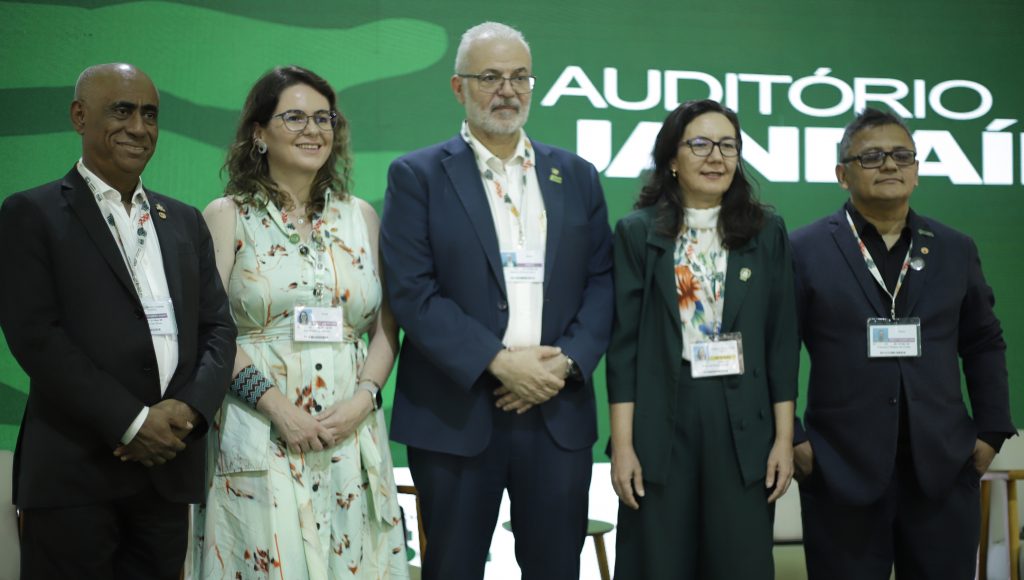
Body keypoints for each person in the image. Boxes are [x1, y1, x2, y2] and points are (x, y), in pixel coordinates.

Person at [380, 21, 613, 580]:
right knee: (453, 568)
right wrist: (500, 362)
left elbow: (602, 281)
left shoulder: (576, 175)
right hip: (455, 414)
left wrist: (564, 363)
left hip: (556, 410)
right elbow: (412, 290)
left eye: (519, 77)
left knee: (556, 568)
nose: (507, 90)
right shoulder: (417, 175)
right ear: (459, 88)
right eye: (489, 77)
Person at [0, 63, 236, 579]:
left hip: (166, 474)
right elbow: (36, 337)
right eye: (121, 111)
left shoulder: (186, 222)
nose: (138, 127)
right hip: (74, 476)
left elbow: (218, 330)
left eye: (149, 114)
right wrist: (134, 422)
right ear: (79, 117)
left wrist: (189, 412)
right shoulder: (30, 214)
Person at [191, 66, 408, 579]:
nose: (313, 130)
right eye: (294, 117)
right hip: (259, 426)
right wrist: (280, 410)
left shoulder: (361, 216)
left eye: (323, 118)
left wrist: (363, 399)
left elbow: (384, 328)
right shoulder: (227, 214)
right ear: (258, 133)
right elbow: (213, 329)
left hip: (350, 433)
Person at [791, 107, 1015, 579]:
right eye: (871, 156)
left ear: (916, 171)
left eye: (901, 155)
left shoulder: (955, 248)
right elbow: (777, 350)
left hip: (943, 468)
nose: (890, 165)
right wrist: (794, 440)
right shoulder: (804, 249)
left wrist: (991, 431)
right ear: (841, 174)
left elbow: (983, 342)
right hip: (839, 470)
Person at [607, 99, 798, 580]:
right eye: (700, 144)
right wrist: (624, 446)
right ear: (671, 158)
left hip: (743, 419)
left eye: (728, 146)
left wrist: (783, 440)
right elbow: (624, 347)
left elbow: (781, 342)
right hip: (662, 417)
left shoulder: (765, 230)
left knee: (740, 562)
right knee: (658, 562)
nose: (716, 157)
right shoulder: (637, 233)